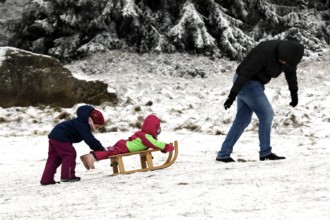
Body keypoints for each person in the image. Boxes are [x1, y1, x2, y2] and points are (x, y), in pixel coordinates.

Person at [216, 40, 304, 163]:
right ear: (279, 53)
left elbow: (291, 74)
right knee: (267, 115)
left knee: (242, 120)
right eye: (282, 60)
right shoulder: (265, 52)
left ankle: (223, 154)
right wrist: (232, 95)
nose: (283, 63)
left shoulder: (290, 56)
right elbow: (245, 72)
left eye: (286, 61)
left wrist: (294, 93)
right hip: (246, 81)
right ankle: (265, 153)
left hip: (255, 83)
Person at [40, 105, 106, 185]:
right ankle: (67, 176)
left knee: (54, 158)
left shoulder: (82, 122)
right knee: (70, 154)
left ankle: (46, 179)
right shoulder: (83, 124)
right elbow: (89, 139)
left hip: (55, 136)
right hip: (61, 136)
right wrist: (100, 148)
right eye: (97, 126)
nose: (97, 128)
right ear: (91, 121)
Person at [80, 114, 174, 170]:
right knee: (110, 152)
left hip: (125, 144)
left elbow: (153, 144)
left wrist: (163, 149)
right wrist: (166, 147)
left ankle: (91, 157)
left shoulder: (143, 134)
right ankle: (91, 157)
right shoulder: (146, 137)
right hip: (125, 147)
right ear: (154, 129)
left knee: (109, 150)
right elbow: (155, 144)